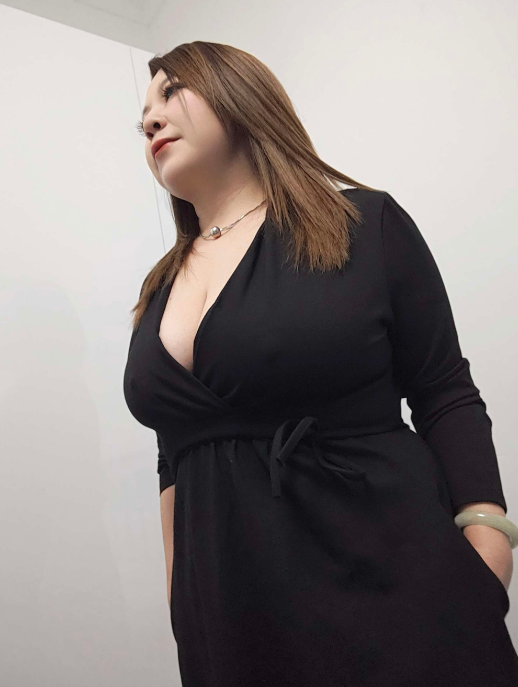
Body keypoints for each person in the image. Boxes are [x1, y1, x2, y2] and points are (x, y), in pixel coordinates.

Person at [123, 41, 518, 686]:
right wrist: (183, 602)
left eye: (170, 92)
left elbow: (444, 391)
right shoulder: (158, 288)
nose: (150, 120)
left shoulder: (362, 224)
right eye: (141, 117)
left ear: (238, 93)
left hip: (397, 595)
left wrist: (488, 548)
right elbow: (176, 454)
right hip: (234, 624)